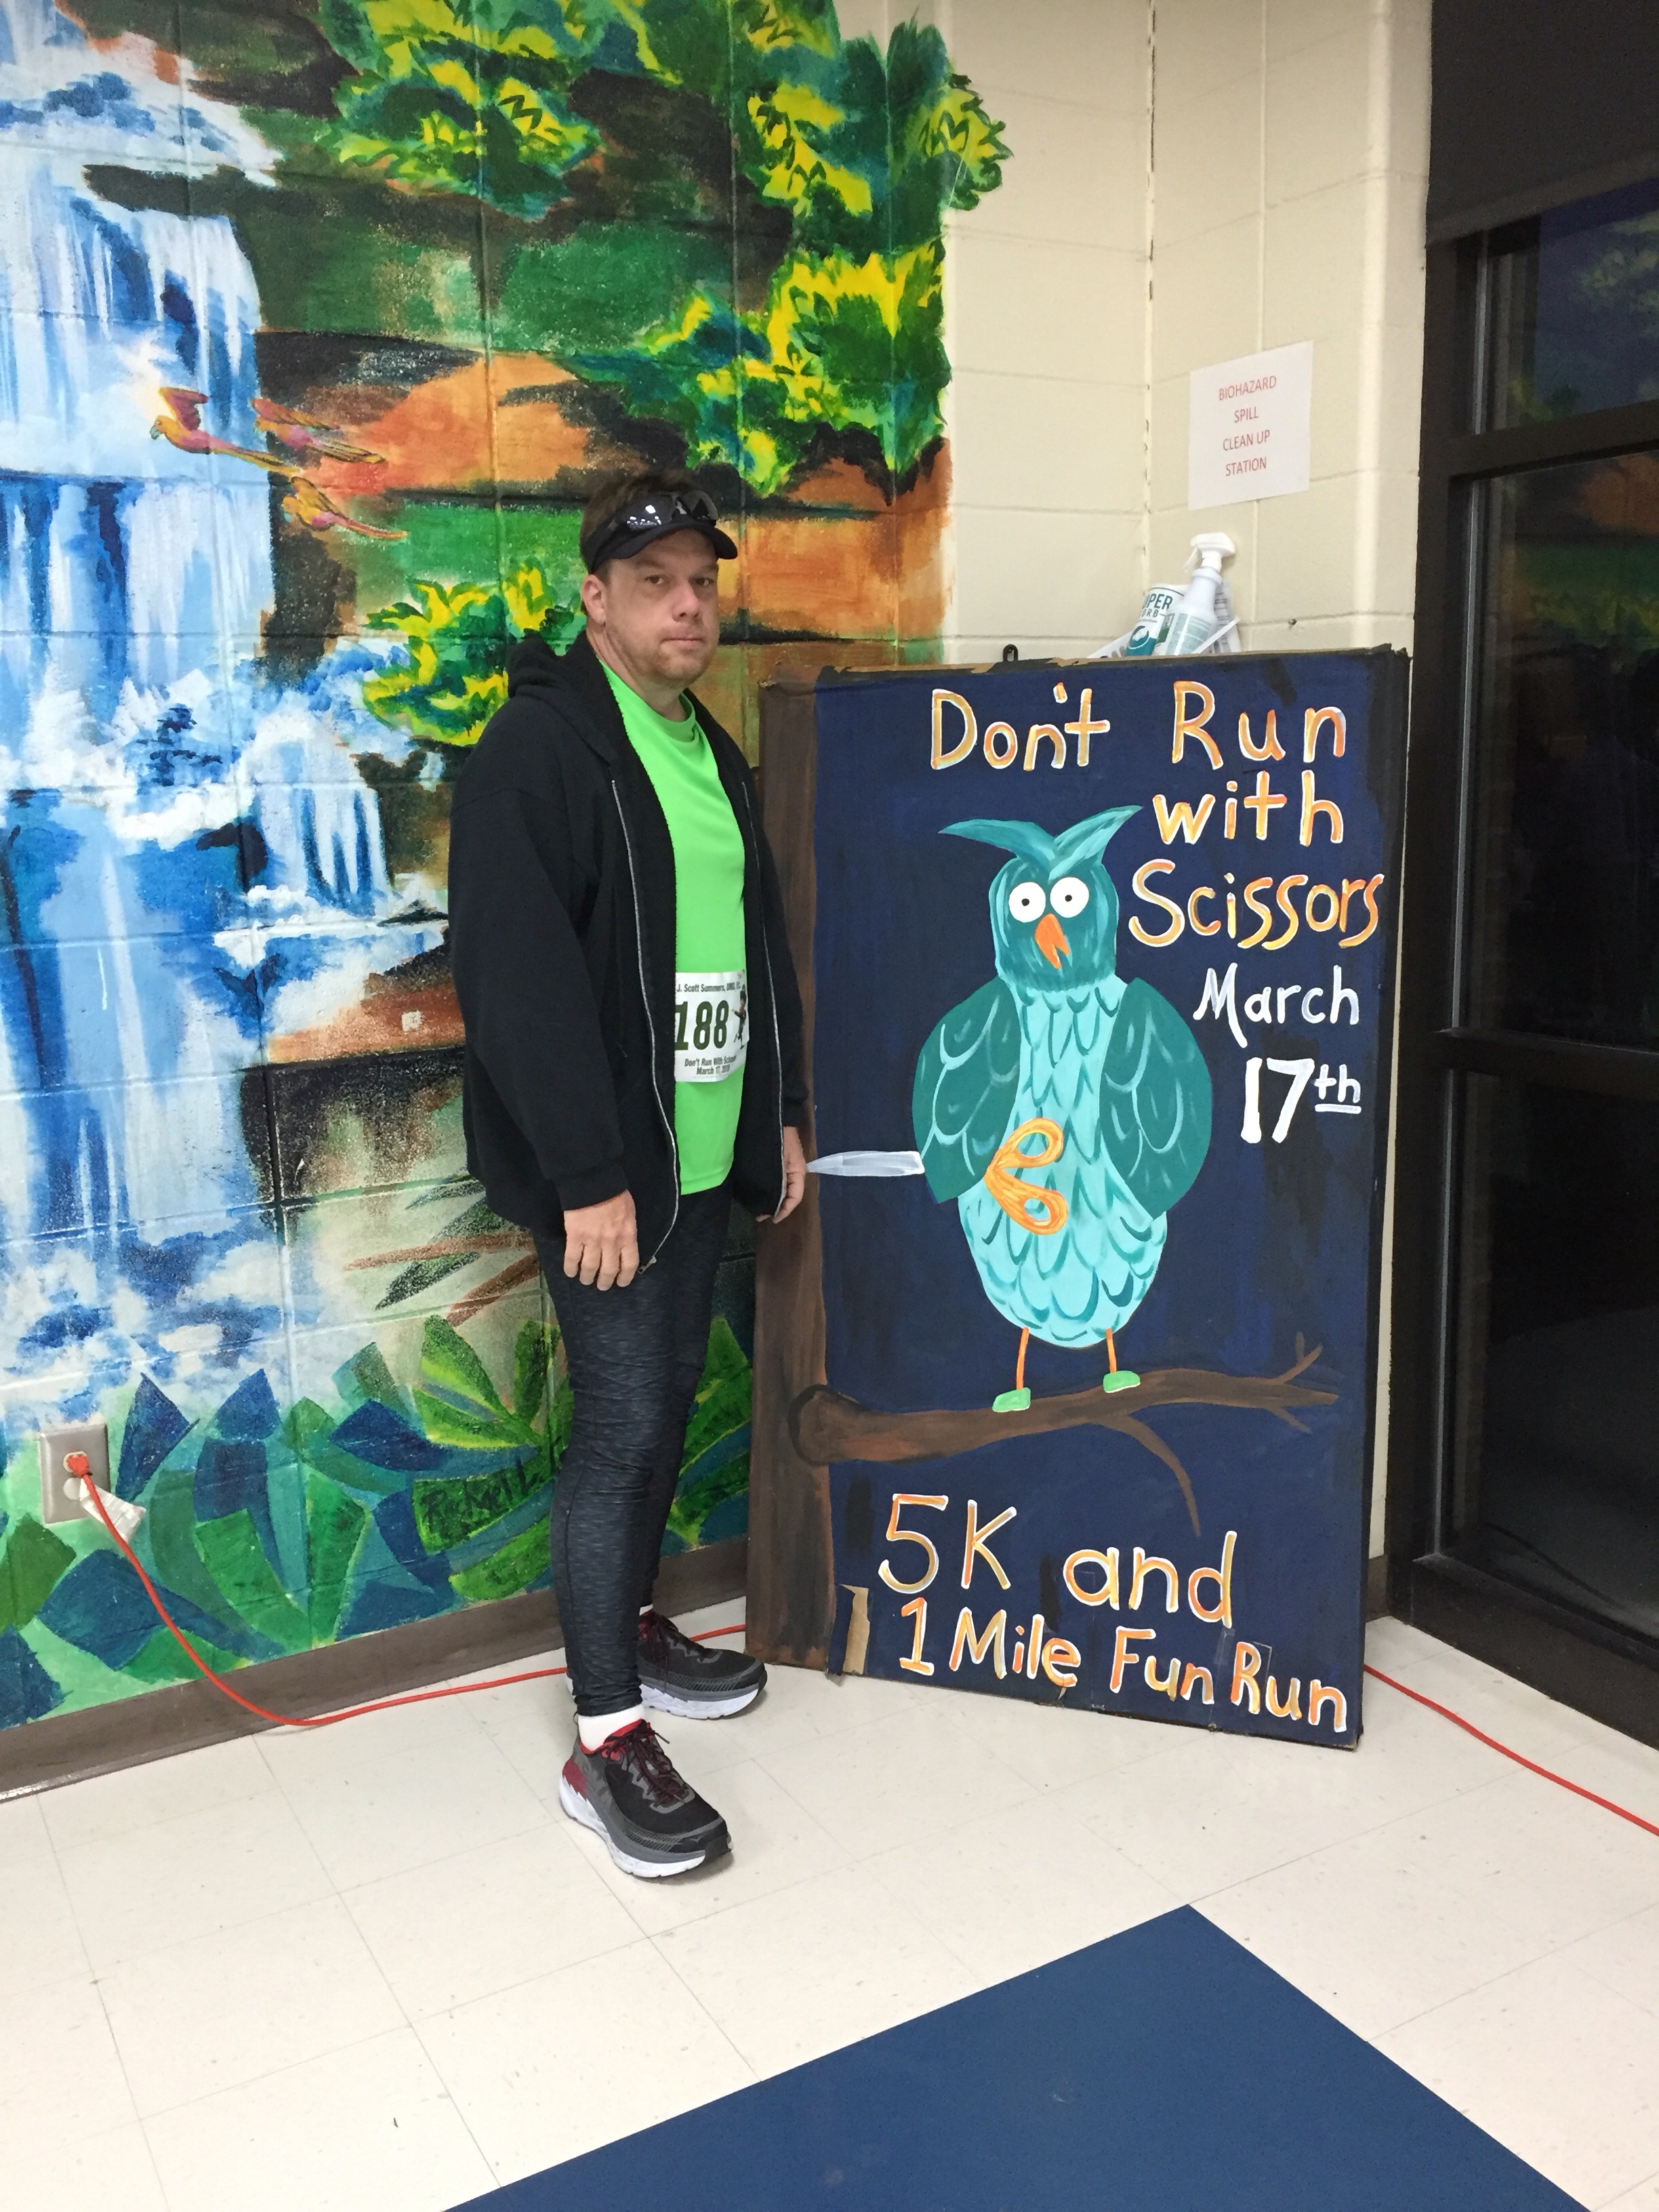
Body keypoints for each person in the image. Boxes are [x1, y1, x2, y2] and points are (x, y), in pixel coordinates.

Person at [447, 470, 808, 1879]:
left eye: (702, 583)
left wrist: (780, 1116)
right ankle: (604, 1739)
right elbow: (518, 982)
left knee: (661, 1411)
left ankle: (634, 1627)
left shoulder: (706, 749)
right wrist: (586, 1174)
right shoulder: (538, 752)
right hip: (611, 1177)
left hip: (701, 1157)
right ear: (595, 599)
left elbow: (754, 951)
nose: (688, 607)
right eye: (656, 584)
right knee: (619, 1427)